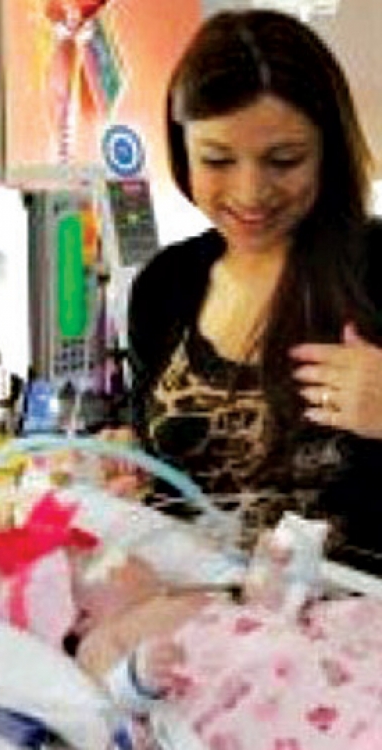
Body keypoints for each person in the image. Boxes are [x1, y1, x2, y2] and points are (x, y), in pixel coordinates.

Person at [125, 8, 382, 573]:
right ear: (182, 149)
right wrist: (124, 479)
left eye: (284, 160)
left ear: (329, 149)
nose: (250, 192)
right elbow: (162, 482)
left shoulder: (375, 268)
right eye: (217, 160)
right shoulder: (164, 286)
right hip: (199, 611)